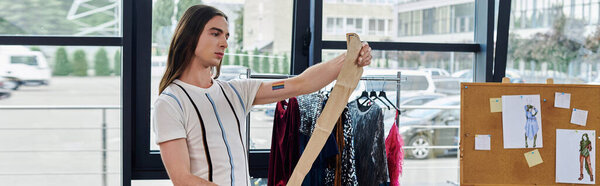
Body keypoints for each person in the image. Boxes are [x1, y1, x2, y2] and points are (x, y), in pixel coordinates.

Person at [152, 5, 372, 186]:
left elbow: (301, 83)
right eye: (215, 33)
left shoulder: (236, 92)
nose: (224, 43)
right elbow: (182, 179)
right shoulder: (170, 103)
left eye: (226, 36)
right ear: (189, 36)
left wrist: (350, 58)